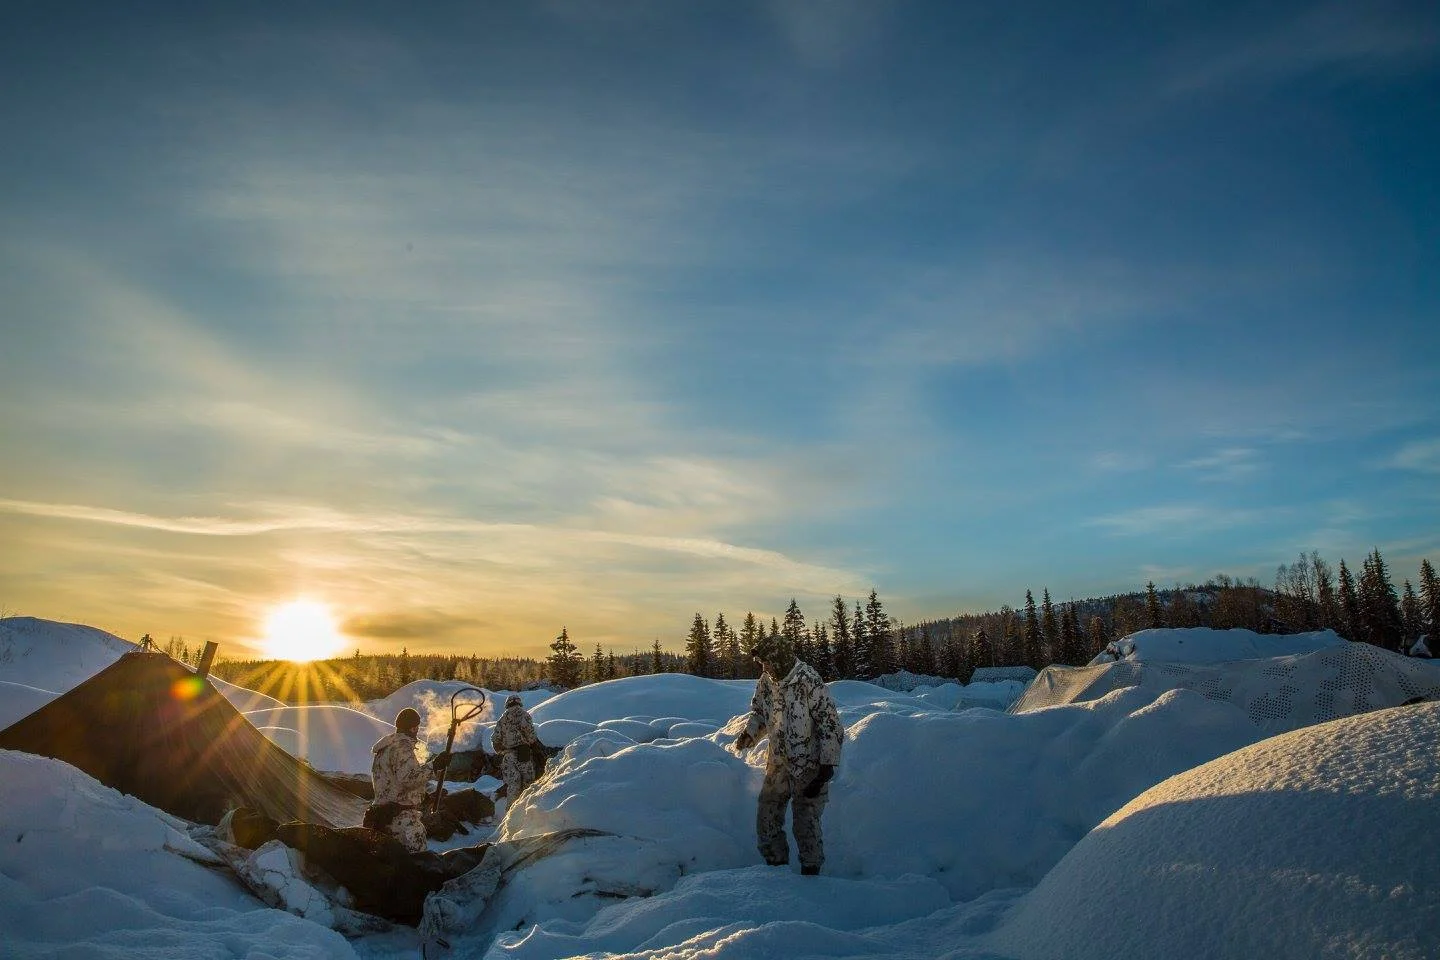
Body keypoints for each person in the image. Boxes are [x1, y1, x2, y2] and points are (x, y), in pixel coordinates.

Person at [733, 636, 843, 875]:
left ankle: (811, 874)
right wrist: (749, 735)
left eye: (768, 662)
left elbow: (830, 723)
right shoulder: (766, 682)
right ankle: (776, 871)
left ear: (781, 659)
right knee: (767, 816)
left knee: (806, 822)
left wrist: (826, 766)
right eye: (762, 663)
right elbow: (761, 713)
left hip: (809, 766)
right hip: (778, 763)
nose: (765, 667)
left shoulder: (808, 680)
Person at [367, 707, 450, 852]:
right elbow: (409, 779)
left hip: (383, 817)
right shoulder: (402, 747)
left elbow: (394, 780)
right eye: (417, 727)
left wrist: (421, 797)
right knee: (416, 865)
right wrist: (434, 765)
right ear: (413, 728)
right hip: (402, 822)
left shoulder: (386, 747)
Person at [491, 694, 544, 805]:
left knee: (513, 785)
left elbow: (495, 740)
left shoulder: (502, 719)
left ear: (507, 704)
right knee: (528, 784)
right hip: (523, 755)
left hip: (507, 756)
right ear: (519, 703)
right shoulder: (524, 715)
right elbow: (530, 736)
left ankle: (510, 814)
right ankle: (525, 811)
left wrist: (502, 751)